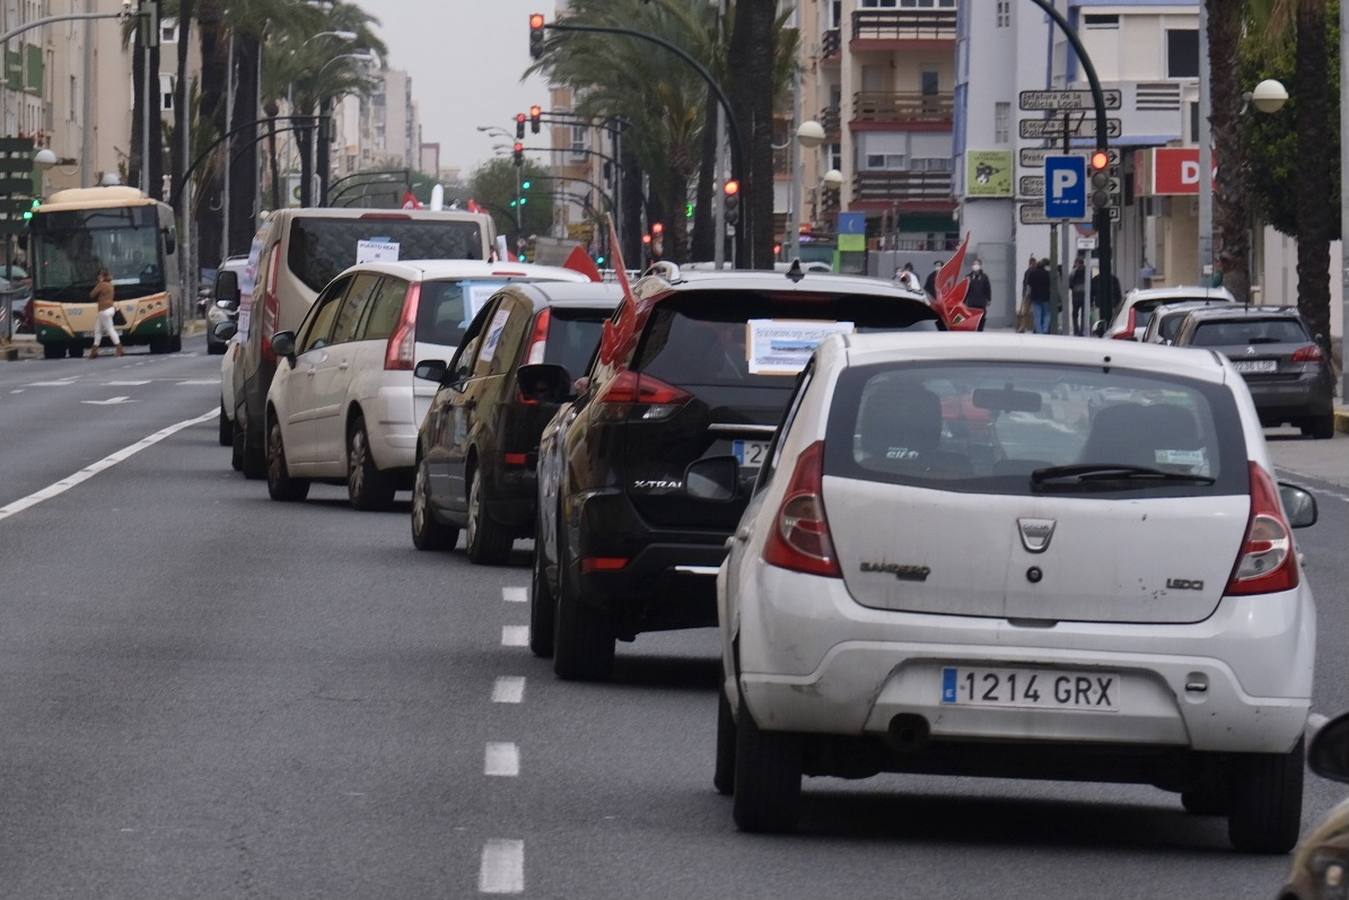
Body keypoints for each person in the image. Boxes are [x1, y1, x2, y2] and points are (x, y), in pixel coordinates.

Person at [89, 268, 123, 358]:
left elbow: (92, 294)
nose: (98, 277)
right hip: (109, 309)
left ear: (102, 276)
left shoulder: (101, 284)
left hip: (104, 310)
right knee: (97, 330)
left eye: (99, 276)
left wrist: (98, 284)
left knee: (110, 329)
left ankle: (119, 348)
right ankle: (94, 350)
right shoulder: (110, 285)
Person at [1026, 258, 1053, 334]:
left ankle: (1039, 331)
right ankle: (1045, 329)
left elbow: (1029, 286)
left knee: (1037, 316)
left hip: (1035, 297)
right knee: (1047, 314)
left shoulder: (1032, 274)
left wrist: (1027, 295)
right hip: (1046, 297)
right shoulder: (1047, 274)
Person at [965, 258, 992, 332]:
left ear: (980, 266)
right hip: (971, 302)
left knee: (982, 317)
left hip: (981, 302)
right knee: (971, 317)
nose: (975, 266)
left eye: (977, 264)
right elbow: (965, 290)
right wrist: (964, 300)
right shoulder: (968, 277)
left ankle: (980, 330)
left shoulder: (984, 277)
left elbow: (988, 289)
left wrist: (989, 299)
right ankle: (972, 329)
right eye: (974, 264)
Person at [1069, 256, 1087, 335]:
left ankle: (1076, 330)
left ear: (1077, 263)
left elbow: (1070, 282)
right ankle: (1082, 330)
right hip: (1084, 295)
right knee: (1084, 314)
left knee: (1075, 314)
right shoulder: (1087, 270)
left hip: (1076, 294)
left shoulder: (1074, 271)